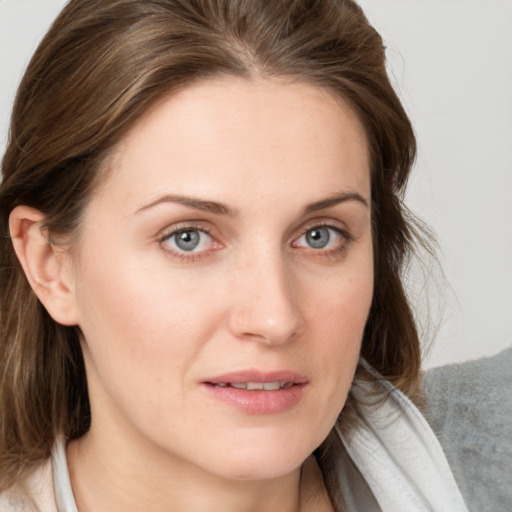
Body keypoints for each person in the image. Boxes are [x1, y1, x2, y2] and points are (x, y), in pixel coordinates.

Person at [0, 1, 468, 511]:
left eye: (320, 236)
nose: (275, 318)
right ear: (52, 266)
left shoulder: (490, 458)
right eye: (188, 238)